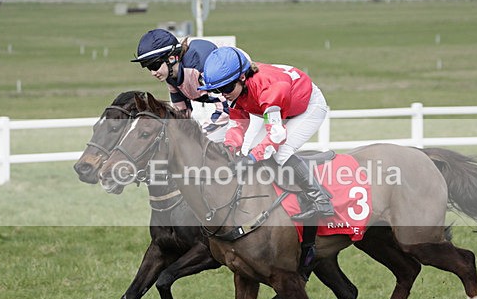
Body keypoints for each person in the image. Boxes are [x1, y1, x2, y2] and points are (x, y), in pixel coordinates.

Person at [199, 46, 334, 221]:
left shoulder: (267, 88)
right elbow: (238, 122)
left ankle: (320, 199)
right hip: (277, 106)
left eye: (227, 87)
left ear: (242, 77)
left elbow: (277, 136)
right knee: (249, 150)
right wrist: (229, 148)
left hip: (308, 106)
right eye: (218, 90)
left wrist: (251, 159)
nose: (223, 94)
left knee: (280, 152)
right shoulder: (236, 89)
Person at [131, 29, 229, 137]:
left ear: (171, 58)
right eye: (149, 68)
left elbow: (226, 109)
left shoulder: (199, 68)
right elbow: (182, 114)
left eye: (154, 66)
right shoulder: (171, 77)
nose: (153, 73)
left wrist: (199, 133)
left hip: (244, 105)